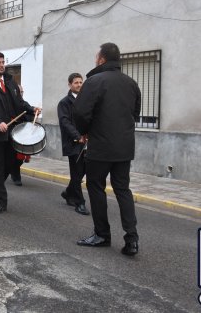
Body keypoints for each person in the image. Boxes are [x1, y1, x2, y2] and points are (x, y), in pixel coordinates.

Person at [74, 42, 141, 256]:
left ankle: (102, 234)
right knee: (123, 189)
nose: (95, 59)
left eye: (96, 56)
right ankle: (132, 238)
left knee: (95, 186)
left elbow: (81, 113)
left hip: (101, 146)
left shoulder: (94, 81)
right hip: (124, 146)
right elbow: (135, 114)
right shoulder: (131, 83)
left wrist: (84, 131)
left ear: (102, 59)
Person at [0, 51, 40, 214]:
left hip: (12, 131)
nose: (2, 65)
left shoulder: (10, 82)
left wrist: (31, 108)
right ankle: (1, 200)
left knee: (11, 164)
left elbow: (19, 102)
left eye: (3, 62)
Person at [57, 72, 89, 216]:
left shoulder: (87, 100)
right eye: (76, 82)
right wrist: (78, 136)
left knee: (83, 171)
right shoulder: (64, 103)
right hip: (74, 143)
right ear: (70, 85)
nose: (79, 85)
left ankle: (69, 192)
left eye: (81, 82)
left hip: (88, 143)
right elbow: (65, 122)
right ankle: (80, 202)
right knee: (76, 173)